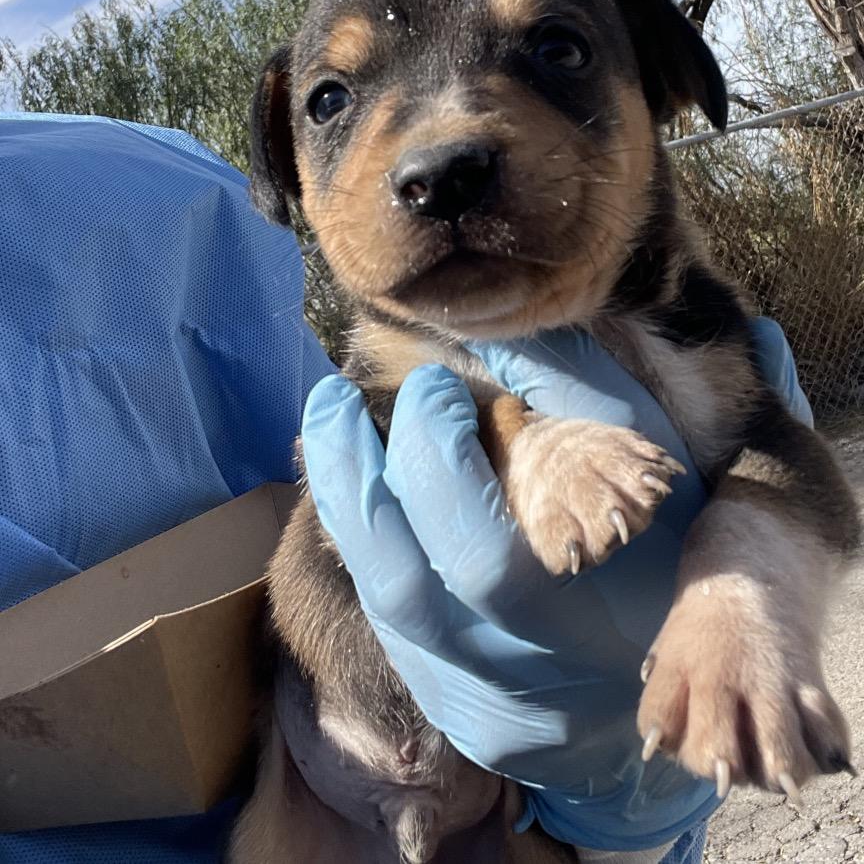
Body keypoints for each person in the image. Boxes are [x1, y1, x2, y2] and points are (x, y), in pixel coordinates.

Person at [0, 113, 811, 863]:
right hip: (308, 783)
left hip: (431, 786)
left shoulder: (143, 175)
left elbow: (355, 463)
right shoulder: (144, 170)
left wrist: (623, 824)